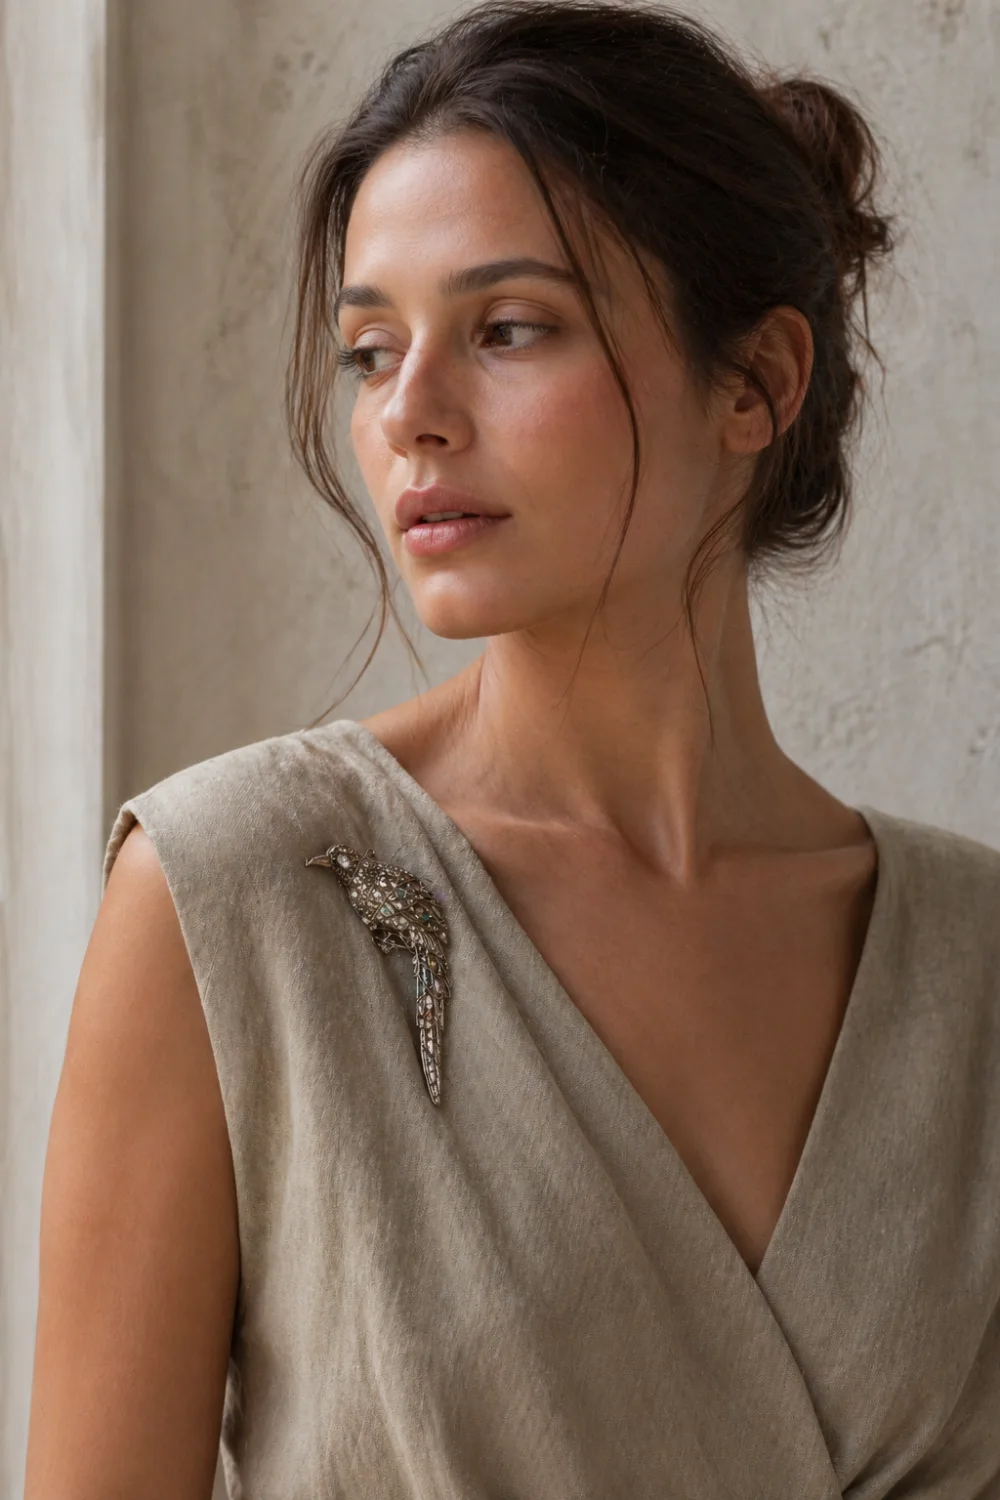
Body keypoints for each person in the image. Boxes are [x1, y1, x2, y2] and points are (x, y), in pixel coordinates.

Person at [24, 2, 1000, 1496]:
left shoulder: (975, 966)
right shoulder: (231, 898)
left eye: (509, 329)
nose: (408, 415)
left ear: (756, 383)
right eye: (370, 350)